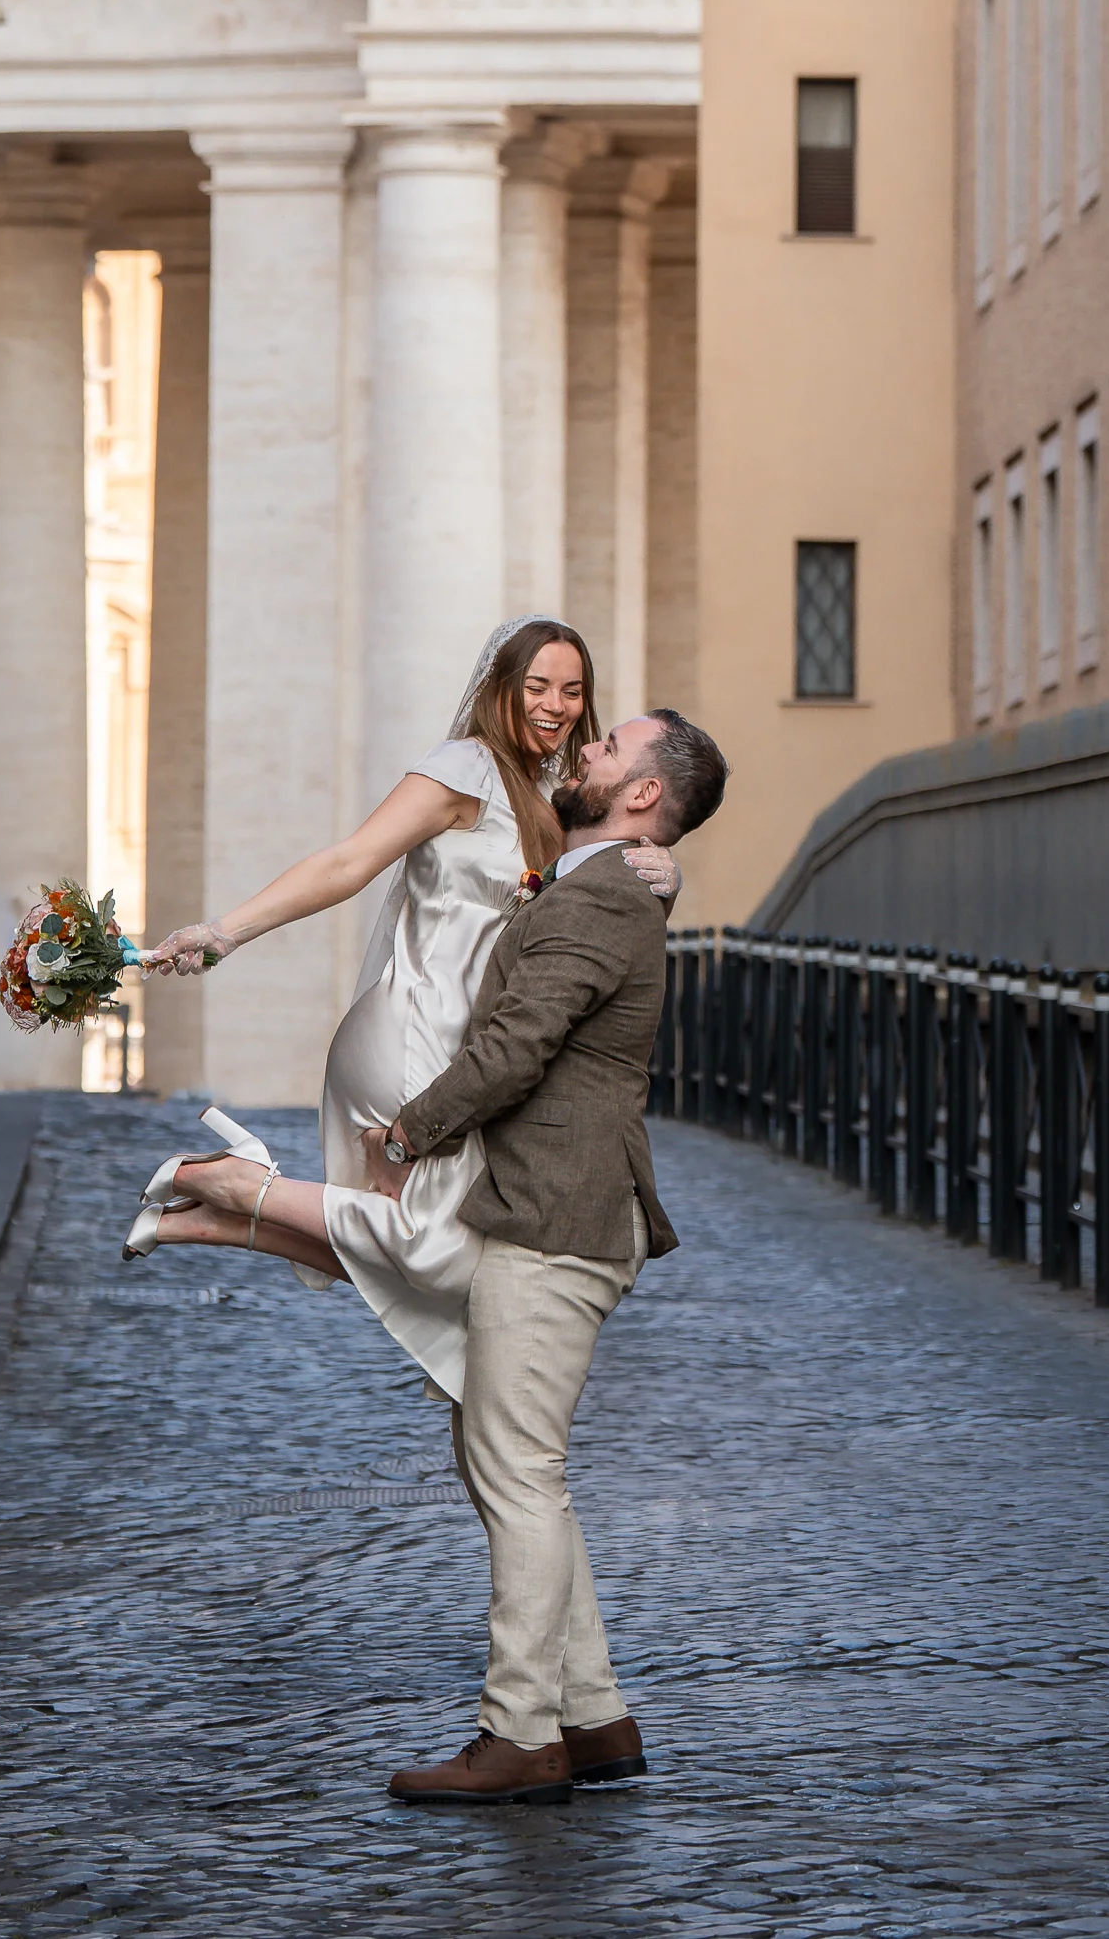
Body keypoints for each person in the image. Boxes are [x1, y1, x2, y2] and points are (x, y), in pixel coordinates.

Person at [123, 617, 680, 1407]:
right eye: (536, 686)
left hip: (465, 1042)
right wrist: (223, 933)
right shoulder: (465, 769)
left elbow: (595, 896)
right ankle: (228, 1185)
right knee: (442, 1249)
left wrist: (665, 870)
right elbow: (348, 861)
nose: (555, 705)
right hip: (419, 1029)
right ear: (499, 688)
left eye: (571, 690)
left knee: (449, 1249)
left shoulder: (553, 801)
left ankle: (204, 1218)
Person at [379, 702, 729, 1809]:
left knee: (519, 1472)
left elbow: (516, 1044)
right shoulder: (602, 881)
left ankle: (519, 1732)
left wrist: (407, 1133)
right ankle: (594, 1716)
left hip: (557, 1216)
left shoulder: (603, 895)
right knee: (510, 1463)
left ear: (642, 794)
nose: (587, 747)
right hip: (551, 1207)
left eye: (610, 744)